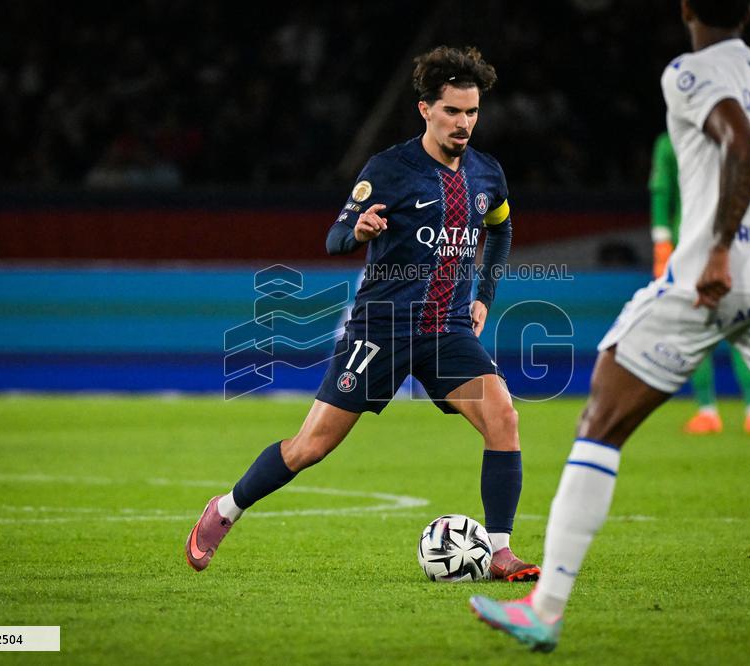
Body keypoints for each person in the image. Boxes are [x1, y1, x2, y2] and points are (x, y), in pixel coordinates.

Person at [469, 0, 750, 651]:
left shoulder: (690, 72)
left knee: (602, 422)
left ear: (686, 8)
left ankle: (545, 609)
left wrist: (727, 249)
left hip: (708, 275)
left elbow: (740, 142)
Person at [185, 46, 540, 582]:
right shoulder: (390, 170)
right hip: (381, 330)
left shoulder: (487, 173)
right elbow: (334, 237)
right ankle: (225, 509)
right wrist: (360, 232)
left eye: (472, 112)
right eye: (452, 111)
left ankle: (499, 551)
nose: (464, 123)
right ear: (425, 109)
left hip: (445, 332)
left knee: (504, 418)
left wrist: (484, 296)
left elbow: (501, 227)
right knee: (311, 447)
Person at [650, 130, 750, 435]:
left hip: (727, 247)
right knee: (713, 328)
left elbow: (661, 191)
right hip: (699, 249)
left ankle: (747, 410)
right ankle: (719, 411)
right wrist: (662, 245)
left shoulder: (728, 138)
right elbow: (662, 192)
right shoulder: (675, 141)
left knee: (733, 326)